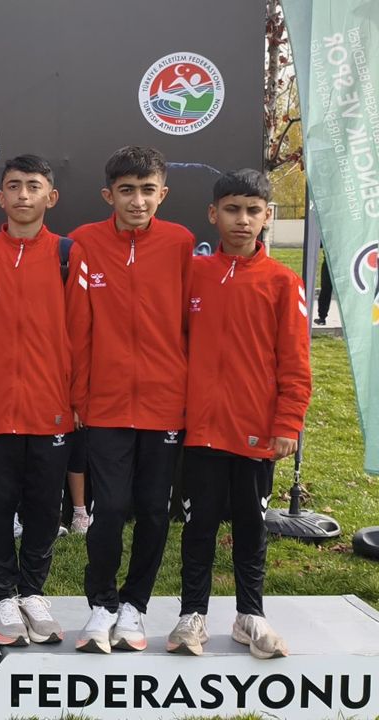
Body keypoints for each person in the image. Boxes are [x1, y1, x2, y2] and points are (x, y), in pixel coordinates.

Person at [166, 169, 310, 659]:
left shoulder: (283, 282)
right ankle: (192, 615)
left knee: (251, 526)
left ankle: (251, 614)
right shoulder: (194, 274)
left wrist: (287, 422)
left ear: (267, 216)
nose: (242, 220)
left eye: (253, 211)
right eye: (232, 209)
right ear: (214, 214)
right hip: (201, 431)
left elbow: (295, 362)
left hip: (256, 432)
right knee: (198, 527)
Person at [0, 154, 90, 643]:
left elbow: (81, 333)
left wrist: (77, 398)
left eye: (33, 186)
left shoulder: (68, 255)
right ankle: (2, 596)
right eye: (14, 186)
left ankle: (32, 591)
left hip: (51, 408)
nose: (23, 195)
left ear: (51, 197)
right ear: (0, 197)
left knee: (44, 507)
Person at [71, 146, 194, 653]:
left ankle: (134, 606)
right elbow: (77, 327)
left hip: (165, 402)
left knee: (154, 511)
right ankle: (101, 603)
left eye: (147, 191)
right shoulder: (84, 241)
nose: (138, 201)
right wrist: (79, 393)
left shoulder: (180, 242)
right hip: (105, 403)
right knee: (111, 508)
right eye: (127, 191)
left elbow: (191, 323)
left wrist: (187, 393)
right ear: (109, 195)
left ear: (163, 193)